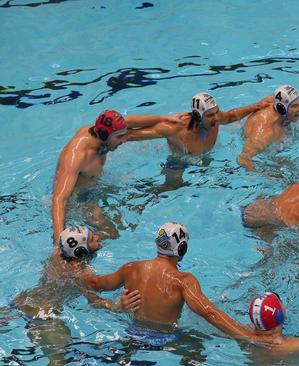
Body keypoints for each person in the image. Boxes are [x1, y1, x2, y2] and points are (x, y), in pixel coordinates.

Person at [82, 222, 273, 349]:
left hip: (133, 333)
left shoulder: (131, 268)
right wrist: (247, 337)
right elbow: (210, 313)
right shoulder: (183, 281)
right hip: (166, 339)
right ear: (182, 248)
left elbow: (96, 284)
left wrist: (78, 268)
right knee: (198, 348)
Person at [12, 227, 140, 365]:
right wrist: (117, 306)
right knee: (58, 358)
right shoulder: (81, 272)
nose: (97, 237)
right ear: (81, 251)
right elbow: (94, 301)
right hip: (45, 315)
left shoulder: (57, 253)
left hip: (21, 301)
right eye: (92, 239)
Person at [52, 110, 180, 242]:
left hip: (94, 188)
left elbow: (129, 121)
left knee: (144, 193)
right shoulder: (76, 156)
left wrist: (163, 118)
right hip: (79, 201)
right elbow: (59, 199)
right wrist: (59, 242)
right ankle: (75, 250)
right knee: (111, 233)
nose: (125, 139)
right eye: (119, 137)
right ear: (104, 135)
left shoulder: (101, 134)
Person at [128, 92, 272, 188]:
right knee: (171, 188)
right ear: (197, 116)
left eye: (216, 112)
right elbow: (133, 134)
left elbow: (230, 117)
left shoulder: (216, 118)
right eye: (210, 115)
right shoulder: (175, 129)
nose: (216, 118)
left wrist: (255, 106)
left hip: (204, 157)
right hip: (179, 162)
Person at [237, 85, 299, 171]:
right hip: (247, 130)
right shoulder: (264, 133)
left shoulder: (276, 100)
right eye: (294, 106)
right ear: (281, 108)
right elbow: (243, 159)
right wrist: (261, 175)